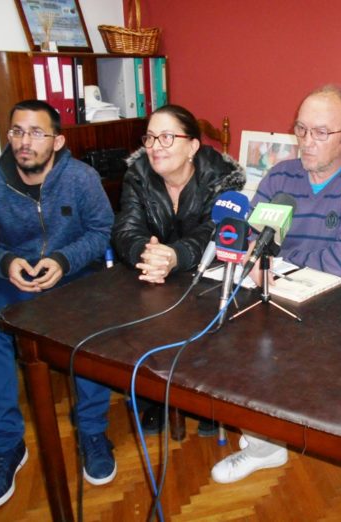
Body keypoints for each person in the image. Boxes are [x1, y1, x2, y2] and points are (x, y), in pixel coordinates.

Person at [211, 84, 341, 484]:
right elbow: (248, 240)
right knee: (225, 338)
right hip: (277, 295)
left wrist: (274, 261)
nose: (307, 142)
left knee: (266, 354)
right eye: (301, 129)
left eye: (321, 132)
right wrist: (259, 258)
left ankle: (266, 444)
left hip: (340, 307)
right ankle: (263, 433)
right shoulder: (280, 175)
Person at [0, 100, 116, 510]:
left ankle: (92, 430)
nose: (24, 141)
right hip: (14, 278)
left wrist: (64, 260)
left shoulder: (81, 178)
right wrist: (5, 261)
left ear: (57, 141)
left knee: (92, 328)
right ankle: (6, 445)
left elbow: (102, 230)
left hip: (73, 275)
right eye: (17, 131)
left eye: (35, 133)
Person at [111, 104, 245, 434]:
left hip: (206, 272)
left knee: (209, 317)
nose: (155, 146)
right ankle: (156, 396)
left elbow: (215, 232)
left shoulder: (221, 178)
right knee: (141, 307)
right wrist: (148, 255)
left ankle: (206, 396)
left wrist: (175, 256)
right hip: (153, 273)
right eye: (150, 137)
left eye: (167, 137)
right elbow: (126, 228)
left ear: (192, 146)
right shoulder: (138, 174)